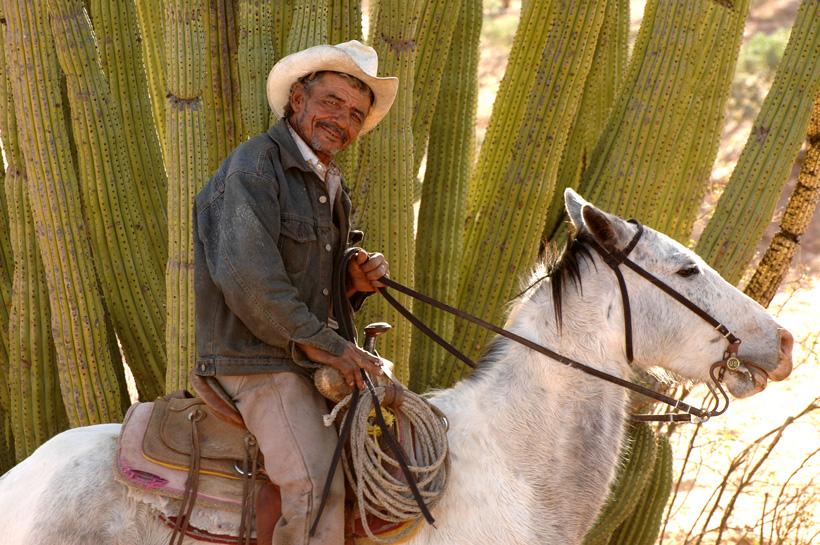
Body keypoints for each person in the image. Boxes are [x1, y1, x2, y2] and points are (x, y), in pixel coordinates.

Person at [193, 40, 399, 545]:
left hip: (301, 357)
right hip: (257, 362)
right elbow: (251, 285)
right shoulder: (253, 170)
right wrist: (331, 346)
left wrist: (351, 278)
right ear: (297, 100)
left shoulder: (328, 183)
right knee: (317, 484)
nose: (342, 120)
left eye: (355, 114)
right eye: (331, 102)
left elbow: (315, 278)